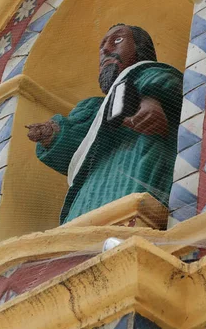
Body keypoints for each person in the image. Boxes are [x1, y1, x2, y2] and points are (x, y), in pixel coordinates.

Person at [26, 24, 184, 224]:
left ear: (140, 49)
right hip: (91, 188)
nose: (106, 50)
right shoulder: (93, 107)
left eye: (117, 40)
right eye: (102, 46)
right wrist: (52, 134)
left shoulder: (152, 73)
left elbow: (169, 86)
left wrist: (151, 99)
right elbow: (75, 148)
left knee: (128, 213)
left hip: (136, 170)